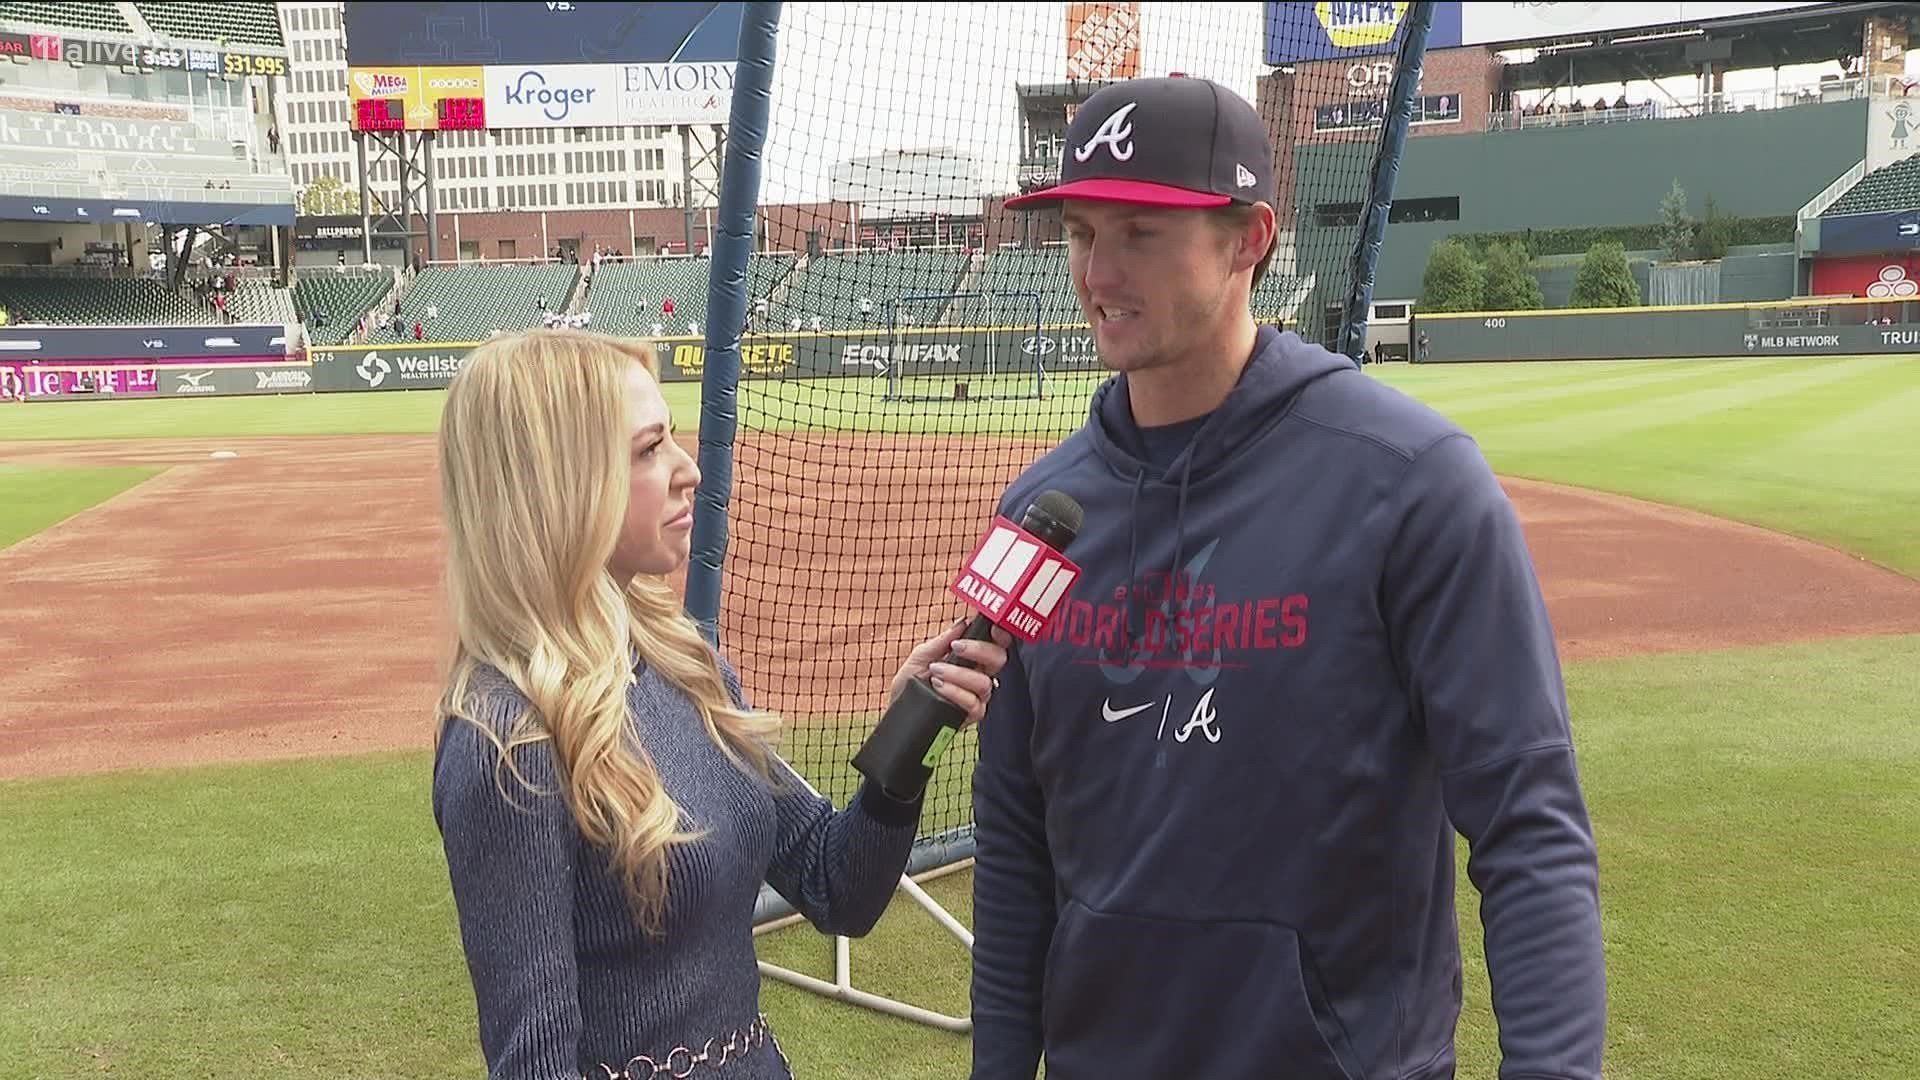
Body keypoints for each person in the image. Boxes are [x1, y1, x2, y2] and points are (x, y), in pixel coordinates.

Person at [971, 76, 1606, 1079]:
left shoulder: (1412, 486)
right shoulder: (1037, 517)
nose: (1098, 272)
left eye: (1141, 233)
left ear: (1249, 240)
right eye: (1082, 233)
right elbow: (1014, 842)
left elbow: (1529, 831)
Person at [431, 329, 1012, 1079]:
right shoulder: (505, 741)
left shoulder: (683, 661)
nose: (688, 470)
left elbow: (840, 888)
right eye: (647, 450)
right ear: (559, 483)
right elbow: (533, 1064)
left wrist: (915, 729)